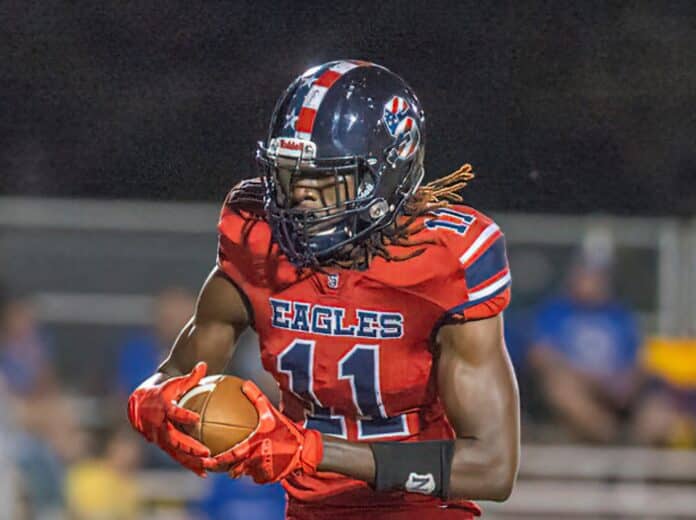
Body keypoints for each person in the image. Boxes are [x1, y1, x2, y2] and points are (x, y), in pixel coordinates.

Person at [128, 60, 520, 519]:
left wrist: (313, 450)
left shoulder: (445, 260)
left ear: (386, 175)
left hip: (419, 509)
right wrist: (156, 406)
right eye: (293, 175)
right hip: (309, 510)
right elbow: (174, 374)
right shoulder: (258, 241)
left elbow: (493, 468)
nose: (301, 196)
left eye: (325, 178)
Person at [528, 245, 642, 443]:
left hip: (615, 390)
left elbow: (638, 361)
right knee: (561, 388)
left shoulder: (619, 315)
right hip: (574, 384)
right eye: (586, 275)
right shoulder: (555, 311)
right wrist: (587, 377)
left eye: (598, 276)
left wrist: (626, 381)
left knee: (660, 411)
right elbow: (540, 356)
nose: (592, 282)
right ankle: (613, 438)